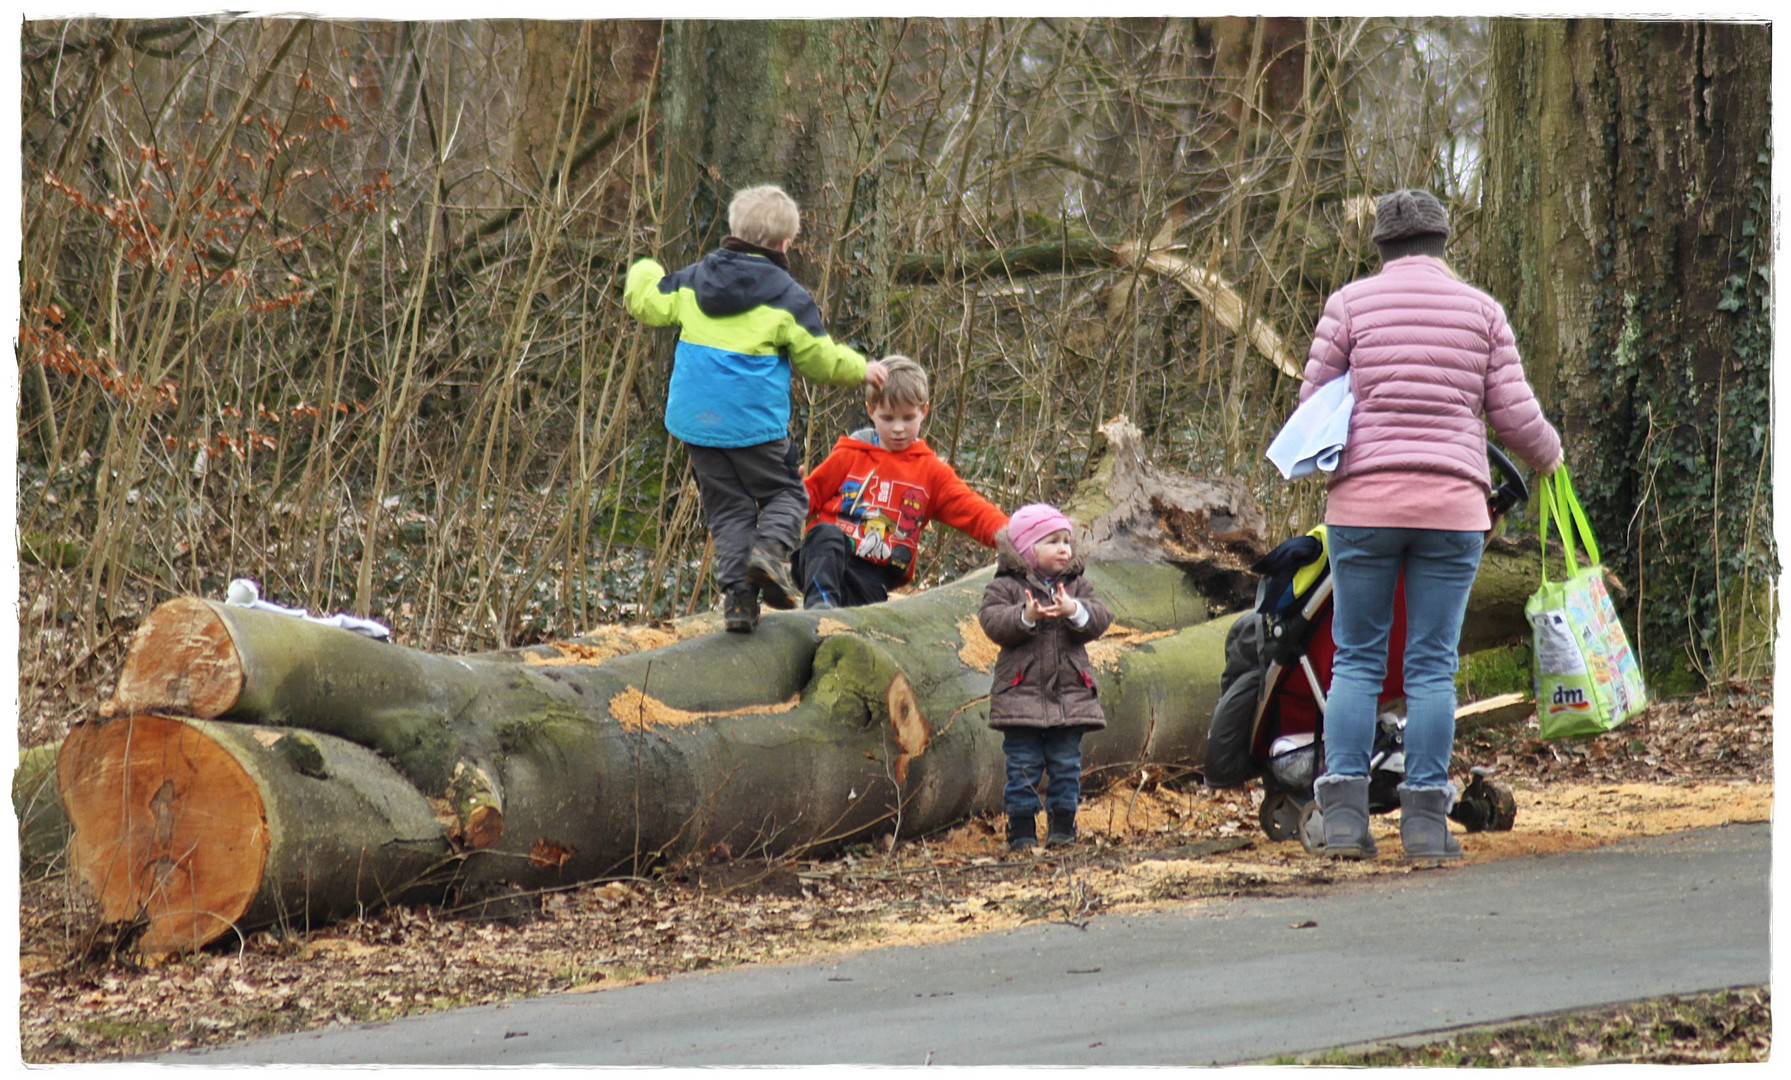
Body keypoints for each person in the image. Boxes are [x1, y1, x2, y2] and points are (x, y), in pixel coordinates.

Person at [1301, 188, 1563, 864]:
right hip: (1452, 511)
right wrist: (1548, 457)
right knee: (1431, 664)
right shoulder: (1480, 311)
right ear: (1442, 244)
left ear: (1381, 249)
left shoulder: (1347, 306)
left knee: (1356, 659)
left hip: (1362, 505)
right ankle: (1422, 823)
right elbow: (1512, 413)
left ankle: (1342, 822)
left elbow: (1313, 407)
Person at [624, 185, 889, 633]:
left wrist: (645, 268)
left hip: (697, 426)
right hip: (755, 428)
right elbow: (819, 360)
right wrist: (864, 369)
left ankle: (740, 604)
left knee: (728, 511)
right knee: (788, 495)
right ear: (786, 244)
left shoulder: (691, 281)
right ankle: (768, 554)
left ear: (733, 230)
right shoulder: (788, 297)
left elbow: (644, 302)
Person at [795, 356, 1008, 609]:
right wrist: (791, 492)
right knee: (825, 535)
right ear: (871, 411)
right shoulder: (850, 454)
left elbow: (974, 512)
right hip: (822, 561)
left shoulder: (931, 472)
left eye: (908, 418)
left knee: (862, 613)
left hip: (873, 573)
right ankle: (818, 614)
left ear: (924, 411)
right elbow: (810, 495)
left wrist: (1023, 537)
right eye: (888, 418)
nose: (898, 428)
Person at [978, 503, 1113, 851]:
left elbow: (1100, 617)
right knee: (1022, 766)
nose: (1064, 548)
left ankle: (1063, 827)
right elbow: (992, 621)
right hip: (1020, 693)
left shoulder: (1078, 585)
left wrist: (1075, 610)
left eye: (1066, 540)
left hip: (1070, 694)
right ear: (1027, 549)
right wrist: (1025, 616)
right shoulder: (1005, 587)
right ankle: (1021, 830)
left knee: (1066, 764)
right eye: (1052, 541)